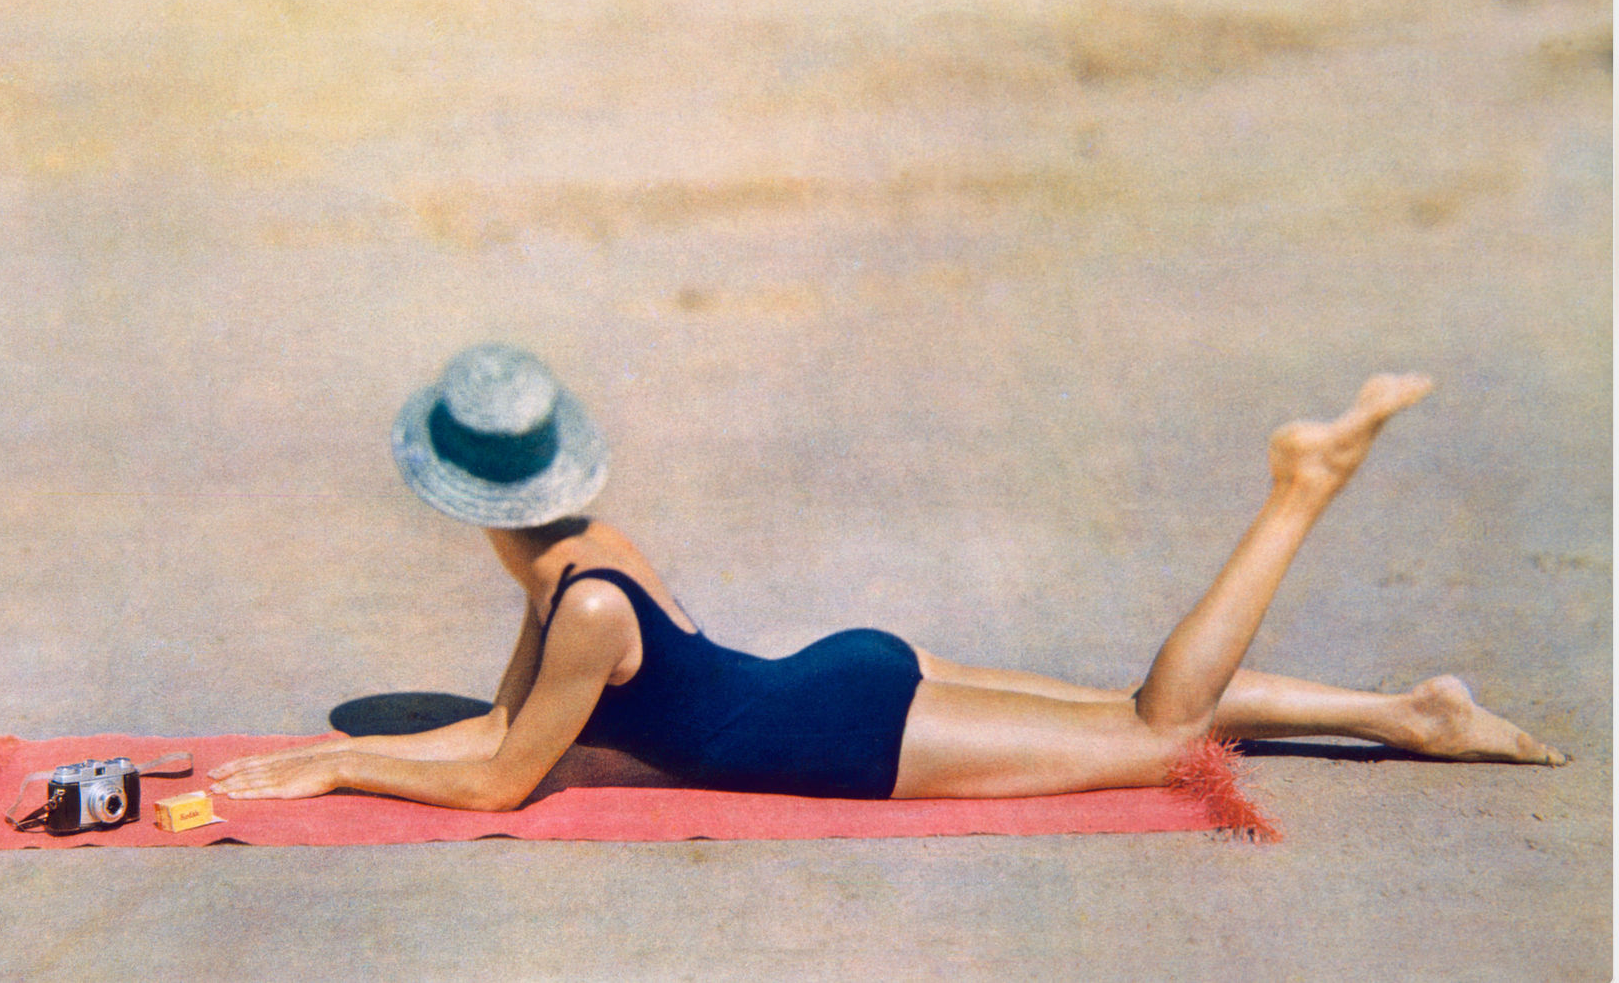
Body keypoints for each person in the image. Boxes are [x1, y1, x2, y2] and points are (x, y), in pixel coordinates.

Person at [210, 344, 1566, 810]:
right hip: (837, 679)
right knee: (1117, 717)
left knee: (1156, 734)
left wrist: (344, 768)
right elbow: (506, 732)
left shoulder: (587, 604)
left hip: (847, 732)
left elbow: (508, 780)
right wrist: (362, 755)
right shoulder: (587, 559)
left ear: (469, 500)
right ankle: (1412, 715)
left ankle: (1296, 494)